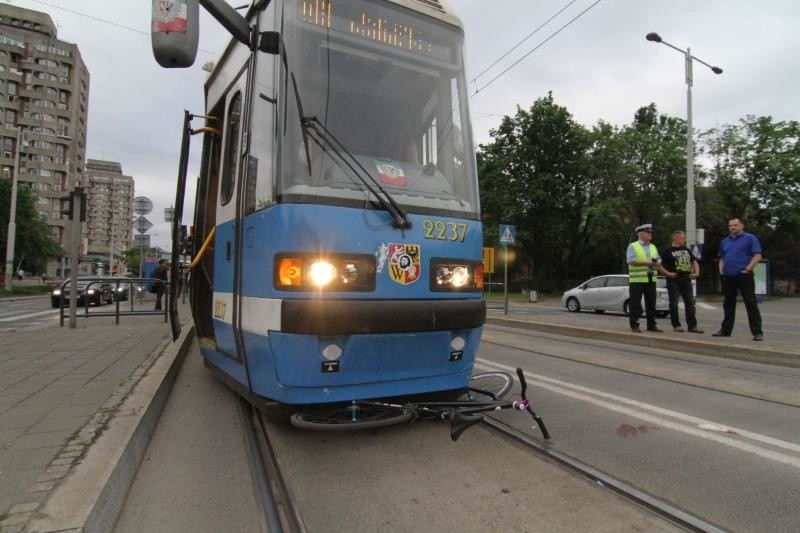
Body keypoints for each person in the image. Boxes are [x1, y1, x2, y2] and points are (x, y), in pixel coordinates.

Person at [714, 217, 764, 341]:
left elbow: (757, 255)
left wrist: (747, 269)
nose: (733, 227)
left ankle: (757, 332)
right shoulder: (725, 241)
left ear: (741, 225)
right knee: (728, 304)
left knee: (750, 303)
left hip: (744, 275)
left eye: (735, 225)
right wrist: (721, 271)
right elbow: (722, 257)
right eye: (731, 225)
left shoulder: (750, 238)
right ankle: (725, 330)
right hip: (728, 276)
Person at [626, 223, 671, 333]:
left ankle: (651, 325)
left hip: (651, 278)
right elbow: (631, 260)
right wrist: (648, 262)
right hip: (637, 280)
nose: (651, 234)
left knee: (651, 303)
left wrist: (658, 262)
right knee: (635, 303)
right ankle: (634, 325)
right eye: (648, 232)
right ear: (641, 234)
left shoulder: (653, 246)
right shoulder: (633, 246)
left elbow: (659, 259)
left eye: (651, 232)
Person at [661, 230, 703, 333]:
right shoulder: (667, 251)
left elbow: (694, 261)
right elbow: (659, 265)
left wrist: (696, 273)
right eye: (683, 238)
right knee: (674, 303)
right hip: (674, 279)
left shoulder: (686, 250)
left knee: (690, 303)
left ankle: (692, 326)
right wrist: (668, 274)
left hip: (686, 278)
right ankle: (676, 325)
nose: (684, 240)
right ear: (676, 238)